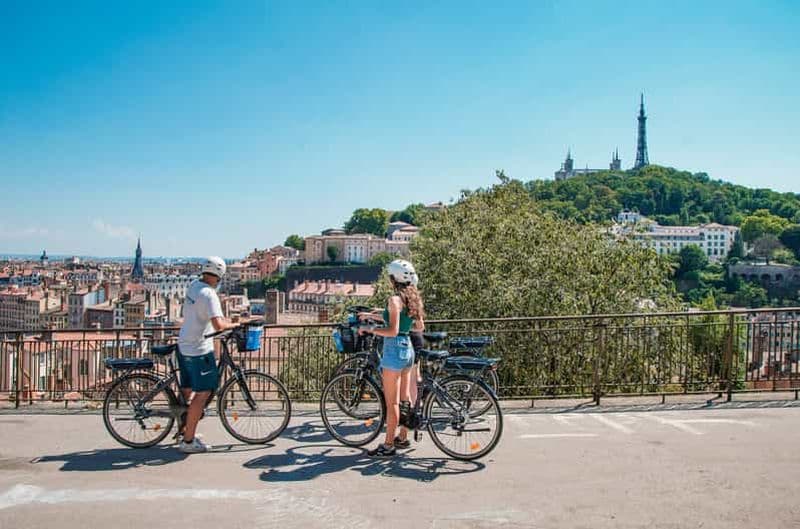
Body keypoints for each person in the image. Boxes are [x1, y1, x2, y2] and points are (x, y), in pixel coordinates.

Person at [359, 259, 425, 458]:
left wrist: (369, 328)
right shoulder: (411, 299)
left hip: (394, 351)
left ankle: (388, 445)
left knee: (392, 403)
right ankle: (402, 438)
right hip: (408, 349)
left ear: (393, 279)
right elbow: (419, 327)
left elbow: (392, 330)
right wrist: (380, 317)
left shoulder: (394, 300)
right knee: (404, 399)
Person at [176, 256, 239, 453]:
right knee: (202, 394)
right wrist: (235, 324)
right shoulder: (209, 294)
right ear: (220, 275)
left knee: (186, 389)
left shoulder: (194, 286)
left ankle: (185, 429)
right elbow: (219, 325)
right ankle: (188, 442)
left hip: (183, 344)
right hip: (198, 349)